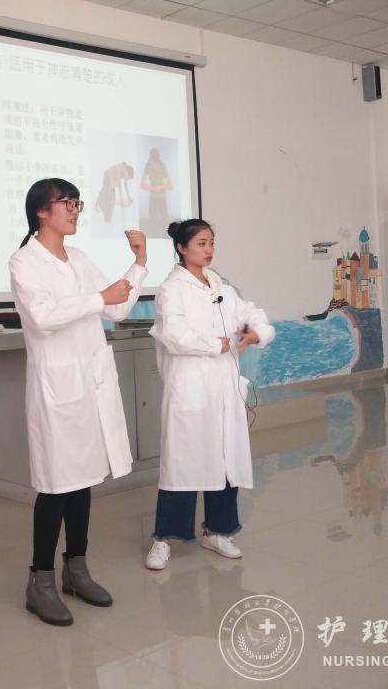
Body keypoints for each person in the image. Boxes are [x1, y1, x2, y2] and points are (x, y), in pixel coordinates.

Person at [9, 178, 148, 626]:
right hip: (57, 390)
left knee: (83, 479)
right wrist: (98, 298)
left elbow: (117, 308)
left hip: (89, 387)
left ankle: (76, 569)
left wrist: (139, 263)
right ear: (41, 211)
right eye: (65, 203)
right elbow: (43, 317)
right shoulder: (25, 261)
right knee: (56, 484)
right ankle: (40, 581)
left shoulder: (81, 258)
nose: (74, 210)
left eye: (76, 203)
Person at [144, 219, 274, 571]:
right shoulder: (172, 289)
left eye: (211, 242)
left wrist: (257, 332)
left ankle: (218, 531)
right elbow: (175, 335)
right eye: (201, 243)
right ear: (182, 248)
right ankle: (164, 538)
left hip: (223, 389)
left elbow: (251, 313)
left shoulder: (221, 286)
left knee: (225, 460)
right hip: (189, 389)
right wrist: (218, 345)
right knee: (182, 463)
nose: (209, 249)